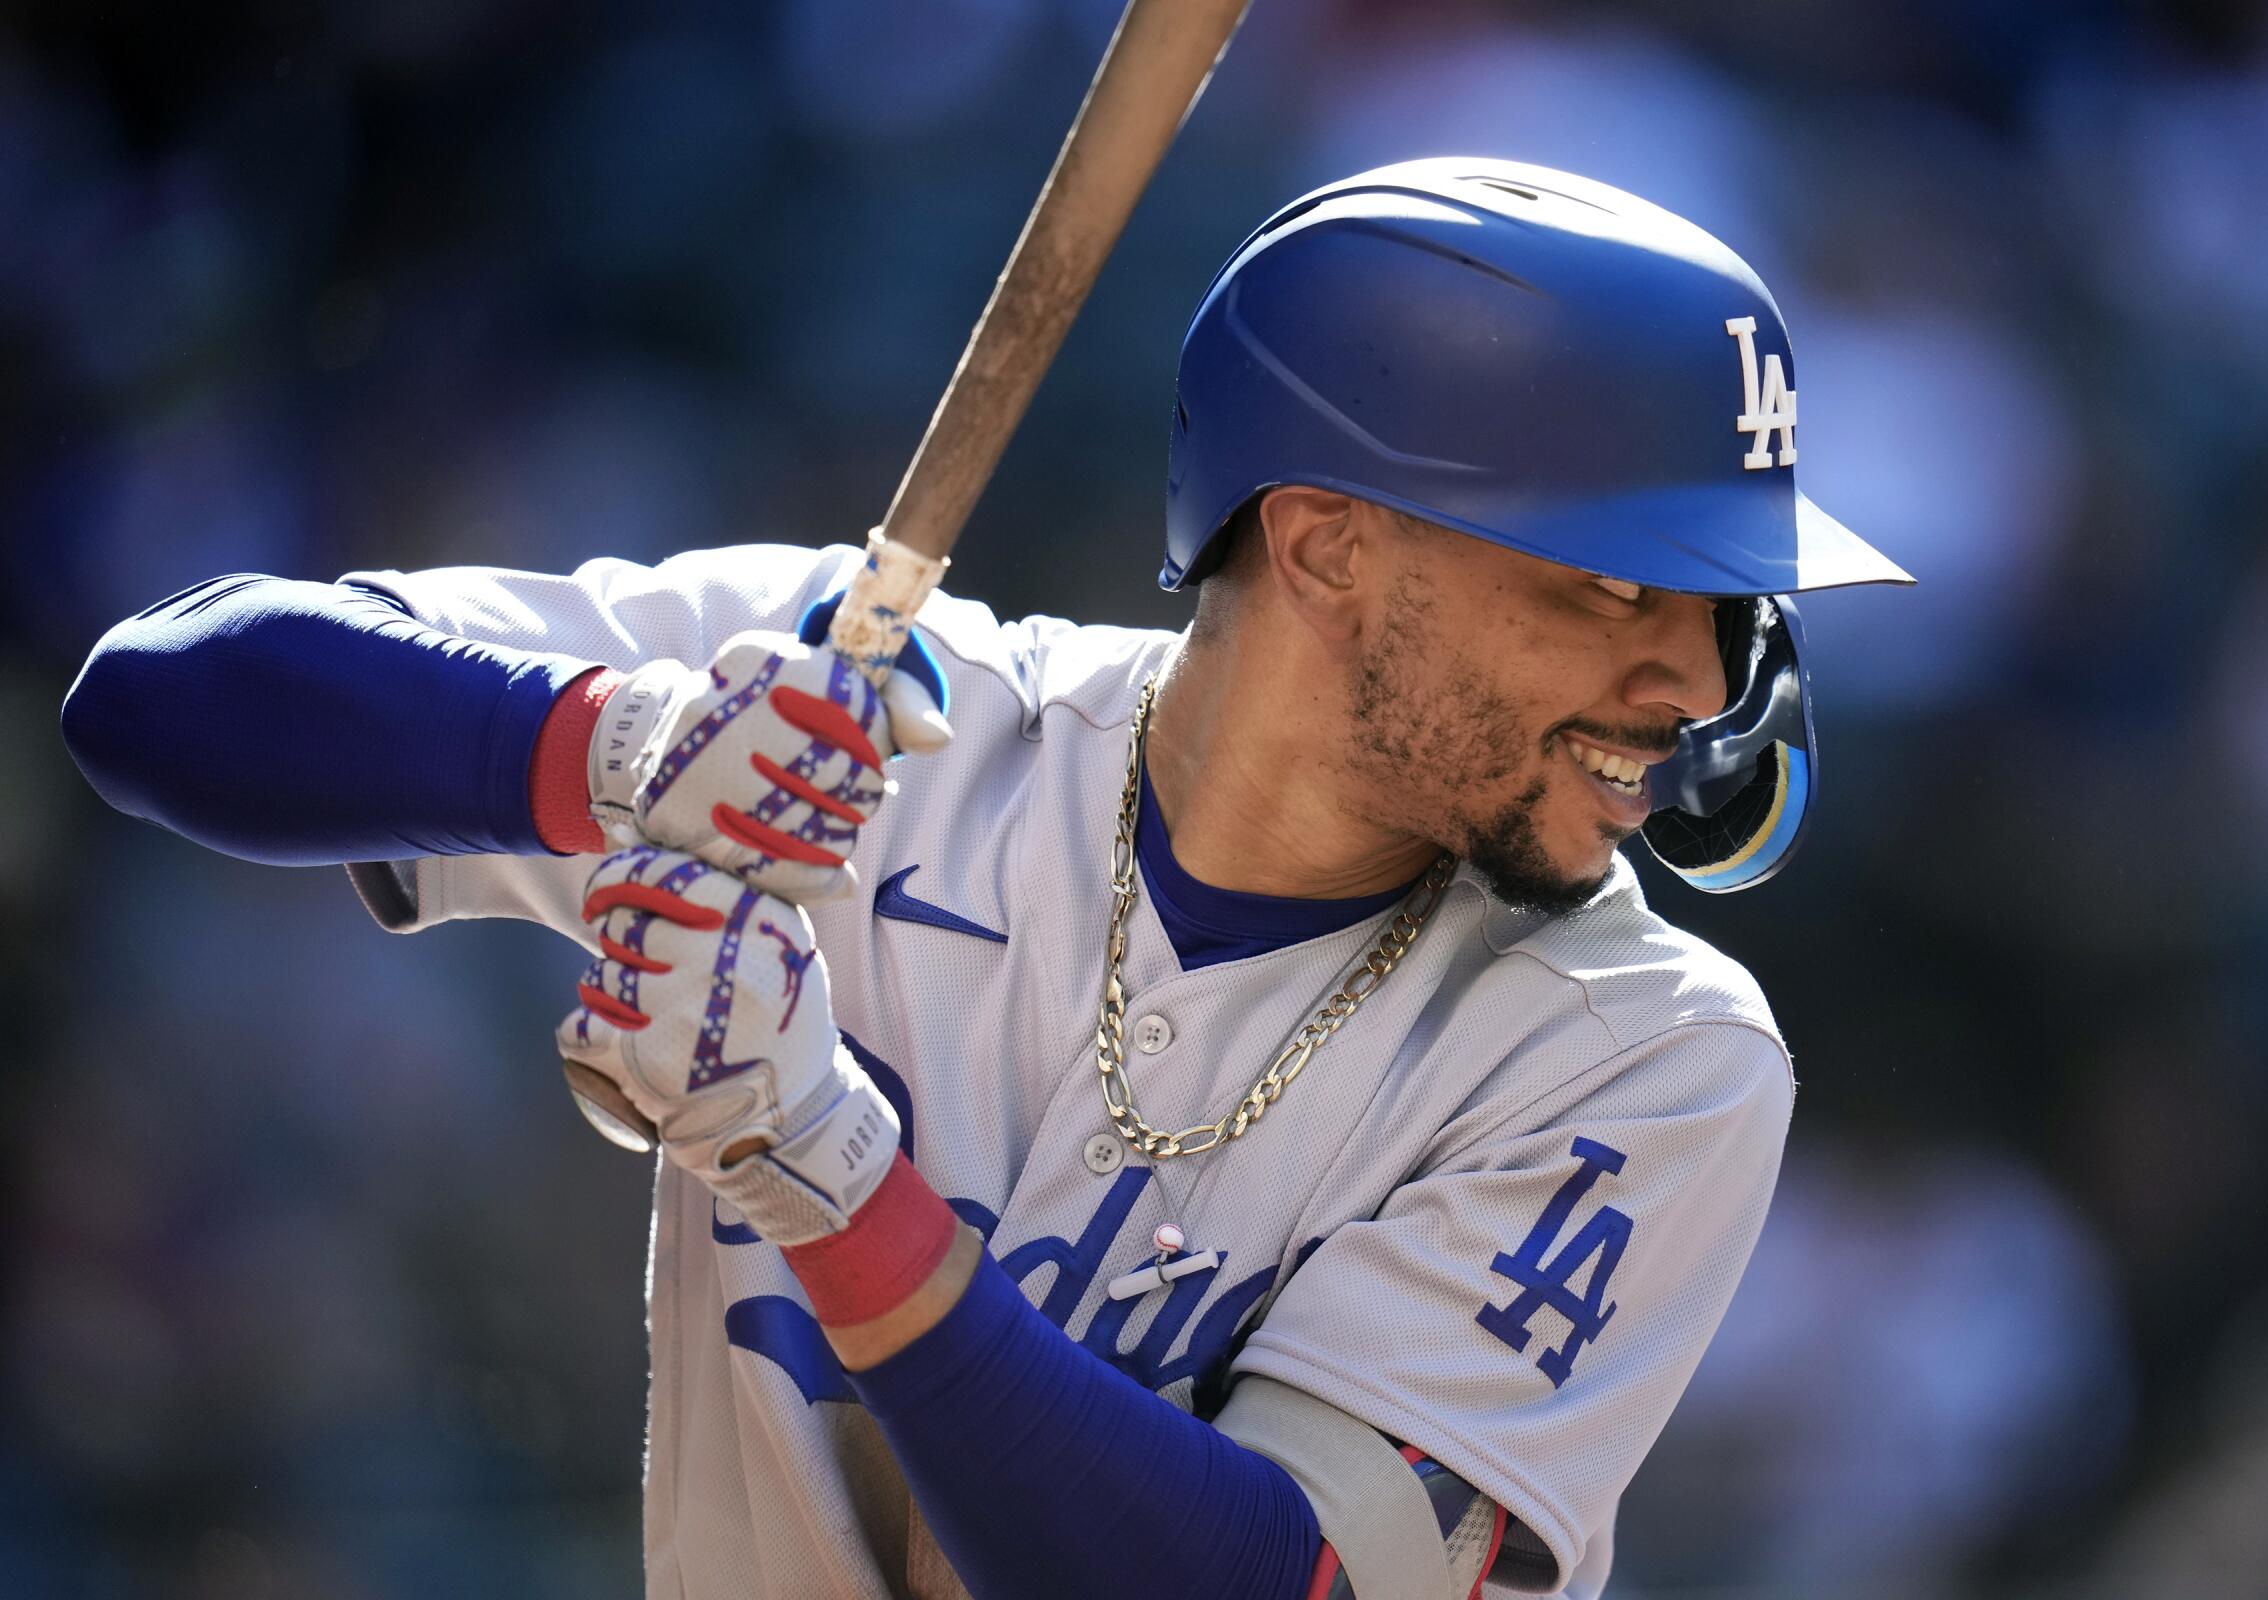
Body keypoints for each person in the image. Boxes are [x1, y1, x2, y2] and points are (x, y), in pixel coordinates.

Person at [62, 159, 1911, 1599]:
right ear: (1330, 543)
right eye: (1612, 585)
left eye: (1723, 604)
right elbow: (154, 695)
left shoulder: (1644, 1051)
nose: (1690, 679)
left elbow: (1263, 1585)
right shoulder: (883, 707)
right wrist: (610, 747)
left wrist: (825, 1167)